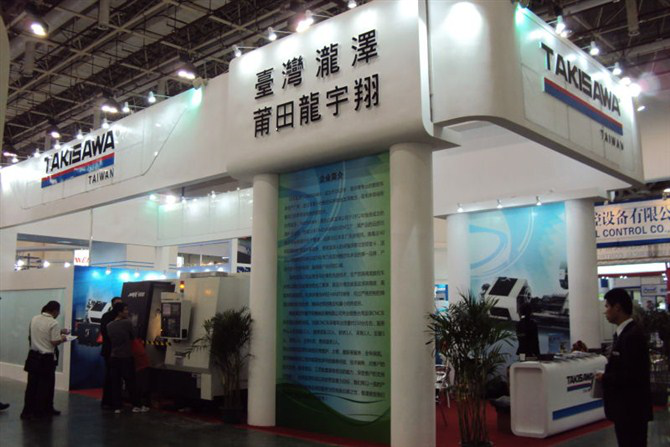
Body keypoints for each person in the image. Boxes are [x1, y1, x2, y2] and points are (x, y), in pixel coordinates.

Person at [595, 288, 652, 447]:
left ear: (617, 308)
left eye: (607, 306)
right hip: (625, 409)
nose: (605, 311)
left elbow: (632, 375)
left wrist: (605, 377)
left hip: (631, 409)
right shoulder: (622, 334)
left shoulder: (632, 336)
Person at [21, 301, 69, 419]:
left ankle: (28, 411)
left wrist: (59, 331)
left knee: (32, 386)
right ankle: (41, 411)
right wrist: (63, 338)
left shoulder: (35, 318)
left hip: (33, 356)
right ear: (55, 311)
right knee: (45, 386)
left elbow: (38, 333)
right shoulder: (53, 322)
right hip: (46, 359)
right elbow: (54, 341)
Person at [106, 302, 143, 413]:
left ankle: (117, 407)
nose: (127, 312)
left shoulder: (109, 325)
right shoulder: (127, 323)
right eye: (125, 310)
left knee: (115, 382)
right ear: (119, 312)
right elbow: (133, 336)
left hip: (114, 356)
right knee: (131, 381)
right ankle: (136, 405)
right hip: (126, 356)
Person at [100, 297, 122, 409]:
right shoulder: (107, 317)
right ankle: (108, 401)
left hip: (117, 351)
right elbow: (105, 332)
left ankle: (115, 400)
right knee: (111, 376)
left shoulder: (122, 318)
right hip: (110, 350)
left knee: (116, 376)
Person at [131, 338, 151, 412]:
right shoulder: (137, 342)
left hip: (140, 367)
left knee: (140, 386)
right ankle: (143, 405)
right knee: (142, 386)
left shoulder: (132, 344)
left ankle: (142, 404)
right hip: (142, 366)